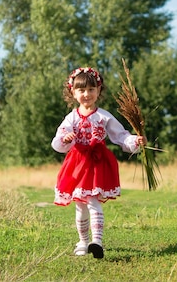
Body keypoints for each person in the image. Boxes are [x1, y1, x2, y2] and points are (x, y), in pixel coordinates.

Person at [51, 66, 146, 259]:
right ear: (73, 92)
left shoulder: (104, 116)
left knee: (93, 201)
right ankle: (83, 241)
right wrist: (66, 140)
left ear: (98, 91)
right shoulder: (71, 118)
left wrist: (134, 141)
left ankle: (97, 242)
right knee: (80, 205)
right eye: (81, 90)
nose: (87, 94)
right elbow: (57, 141)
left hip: (97, 164)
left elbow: (120, 136)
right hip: (78, 165)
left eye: (91, 89)